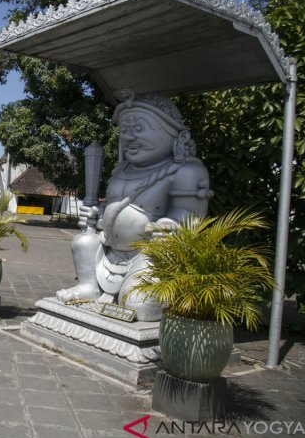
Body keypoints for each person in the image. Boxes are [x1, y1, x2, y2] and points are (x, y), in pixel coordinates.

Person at [56, 93, 211, 321]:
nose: (128, 136)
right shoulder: (121, 170)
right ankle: (90, 285)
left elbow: (190, 214)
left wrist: (171, 225)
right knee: (83, 241)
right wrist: (96, 213)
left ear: (177, 136)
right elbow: (114, 205)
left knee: (139, 307)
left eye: (138, 128)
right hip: (111, 250)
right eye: (125, 130)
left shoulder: (185, 170)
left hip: (150, 253)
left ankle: (137, 295)